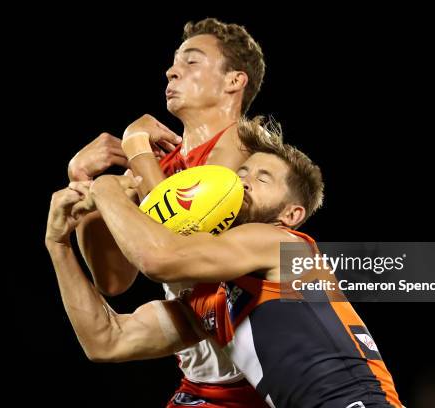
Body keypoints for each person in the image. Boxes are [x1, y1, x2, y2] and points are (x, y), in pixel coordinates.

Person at [46, 118, 403, 407]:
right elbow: (107, 340)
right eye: (243, 172)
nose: (243, 182)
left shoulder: (281, 244)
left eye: (262, 178)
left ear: (291, 214)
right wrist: (58, 244)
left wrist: (108, 186)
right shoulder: (213, 298)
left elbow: (159, 257)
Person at [66, 18, 268, 407]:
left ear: (234, 81)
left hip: (261, 384)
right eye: (175, 63)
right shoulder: (160, 168)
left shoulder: (245, 144)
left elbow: (179, 242)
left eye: (191, 62)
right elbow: (113, 279)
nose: (172, 70)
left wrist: (136, 145)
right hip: (202, 383)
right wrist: (85, 185)